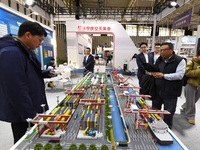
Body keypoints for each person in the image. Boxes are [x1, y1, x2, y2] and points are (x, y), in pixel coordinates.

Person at [0, 21, 55, 143]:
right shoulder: (11, 53)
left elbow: (26, 73)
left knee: (34, 141)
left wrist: (44, 73)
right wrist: (31, 116)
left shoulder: (25, 50)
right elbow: (15, 89)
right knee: (25, 142)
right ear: (28, 35)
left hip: (31, 107)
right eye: (39, 40)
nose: (41, 44)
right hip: (23, 113)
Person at [151, 42, 186, 129]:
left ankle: (167, 130)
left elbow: (179, 75)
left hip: (171, 92)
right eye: (160, 50)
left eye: (164, 50)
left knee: (168, 113)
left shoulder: (180, 60)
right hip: (158, 90)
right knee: (155, 111)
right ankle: (153, 126)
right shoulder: (159, 59)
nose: (162, 52)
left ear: (171, 50)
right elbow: (155, 69)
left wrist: (164, 75)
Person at [181, 51, 200, 125]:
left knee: (194, 100)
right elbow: (187, 72)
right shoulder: (192, 62)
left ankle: (185, 106)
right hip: (191, 84)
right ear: (197, 55)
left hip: (199, 86)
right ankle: (191, 116)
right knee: (191, 101)